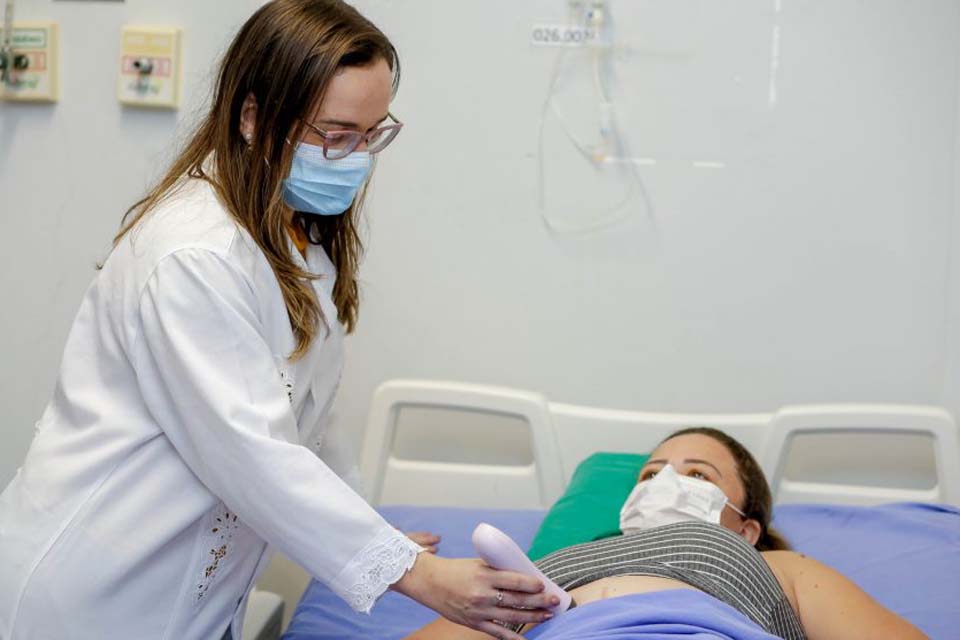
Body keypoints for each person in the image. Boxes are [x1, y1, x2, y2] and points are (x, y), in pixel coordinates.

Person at [0, 2, 556, 638]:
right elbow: (254, 453)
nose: (356, 158)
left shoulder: (292, 237)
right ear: (252, 118)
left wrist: (374, 538)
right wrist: (415, 575)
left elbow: (305, 417)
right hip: (94, 594)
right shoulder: (193, 255)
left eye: (372, 135)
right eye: (336, 134)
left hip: (184, 596)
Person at [405, 427, 929, 640]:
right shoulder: (544, 566)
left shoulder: (781, 567)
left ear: (747, 528)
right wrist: (405, 566)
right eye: (650, 476)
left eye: (698, 475)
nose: (665, 485)